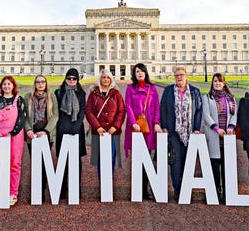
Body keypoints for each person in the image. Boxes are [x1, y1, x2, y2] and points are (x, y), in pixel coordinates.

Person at [160, 66, 202, 201]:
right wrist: (165, 126)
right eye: (177, 75)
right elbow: (163, 109)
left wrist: (196, 128)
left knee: (187, 160)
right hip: (174, 131)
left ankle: (186, 187)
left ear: (186, 76)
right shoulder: (168, 90)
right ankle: (177, 188)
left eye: (181, 75)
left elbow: (199, 111)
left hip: (190, 131)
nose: (179, 77)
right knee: (175, 161)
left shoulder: (195, 91)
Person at [123, 63, 162, 200]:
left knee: (147, 160)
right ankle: (138, 190)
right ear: (134, 74)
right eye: (137, 71)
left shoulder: (152, 88)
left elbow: (157, 106)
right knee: (138, 160)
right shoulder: (130, 88)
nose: (139, 73)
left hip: (149, 128)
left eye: (141, 71)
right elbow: (128, 106)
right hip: (136, 128)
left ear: (145, 73)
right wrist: (133, 123)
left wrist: (157, 123)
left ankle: (145, 189)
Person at [201, 73, 237, 203]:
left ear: (224, 83)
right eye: (215, 81)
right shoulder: (207, 97)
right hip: (214, 134)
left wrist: (231, 127)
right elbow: (206, 115)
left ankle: (228, 190)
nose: (217, 83)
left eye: (220, 81)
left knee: (226, 164)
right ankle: (216, 189)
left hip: (227, 135)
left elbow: (234, 115)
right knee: (214, 164)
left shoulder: (230, 98)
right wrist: (216, 128)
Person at [0, 76, 27, 206]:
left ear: (13, 86)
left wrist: (13, 132)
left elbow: (22, 117)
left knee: (15, 163)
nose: (6, 86)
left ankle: (13, 192)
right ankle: (2, 190)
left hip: (15, 135)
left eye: (9, 84)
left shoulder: (19, 100)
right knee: (0, 164)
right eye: (4, 84)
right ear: (1, 86)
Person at [85, 69, 126, 180]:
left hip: (112, 131)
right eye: (104, 77)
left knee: (111, 156)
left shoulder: (116, 94)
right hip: (98, 131)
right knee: (100, 157)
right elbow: (88, 111)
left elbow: (122, 111)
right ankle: (102, 181)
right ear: (100, 79)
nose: (106, 79)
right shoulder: (93, 94)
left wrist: (115, 126)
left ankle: (108, 179)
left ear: (111, 79)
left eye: (108, 77)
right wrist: (97, 127)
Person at [24, 74, 58, 203]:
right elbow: (24, 116)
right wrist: (28, 130)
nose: (40, 84)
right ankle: (35, 191)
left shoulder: (51, 96)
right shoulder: (28, 97)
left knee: (44, 163)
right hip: (32, 134)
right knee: (35, 163)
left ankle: (41, 191)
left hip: (46, 135)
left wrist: (46, 131)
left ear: (46, 83)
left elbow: (55, 116)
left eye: (43, 82)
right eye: (38, 82)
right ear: (35, 84)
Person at [54, 68, 87, 200]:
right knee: (63, 160)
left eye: (74, 78)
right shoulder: (58, 92)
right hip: (62, 129)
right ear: (65, 79)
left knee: (76, 162)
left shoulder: (81, 94)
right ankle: (61, 189)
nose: (71, 81)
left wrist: (76, 127)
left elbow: (82, 112)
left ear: (77, 80)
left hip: (76, 130)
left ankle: (76, 188)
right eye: (69, 78)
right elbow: (56, 112)